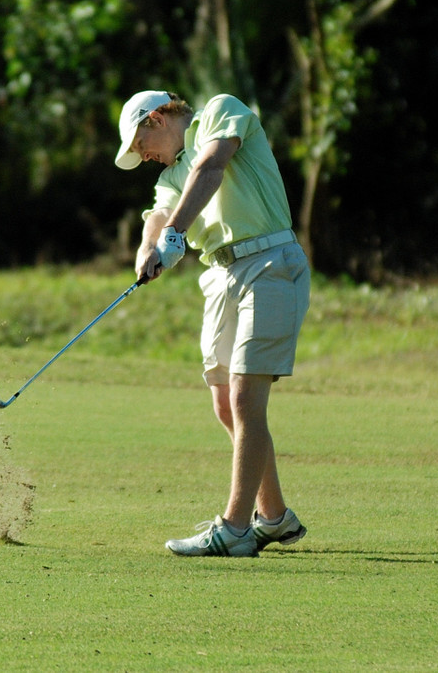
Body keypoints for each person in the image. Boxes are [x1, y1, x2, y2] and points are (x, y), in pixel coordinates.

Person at [115, 90, 311, 557]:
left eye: (141, 144)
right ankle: (274, 517)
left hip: (269, 262)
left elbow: (211, 168)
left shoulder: (221, 111)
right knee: (226, 404)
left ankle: (235, 530)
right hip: (221, 275)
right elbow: (160, 212)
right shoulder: (170, 175)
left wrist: (175, 234)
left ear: (157, 118)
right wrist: (148, 248)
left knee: (245, 397)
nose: (144, 156)